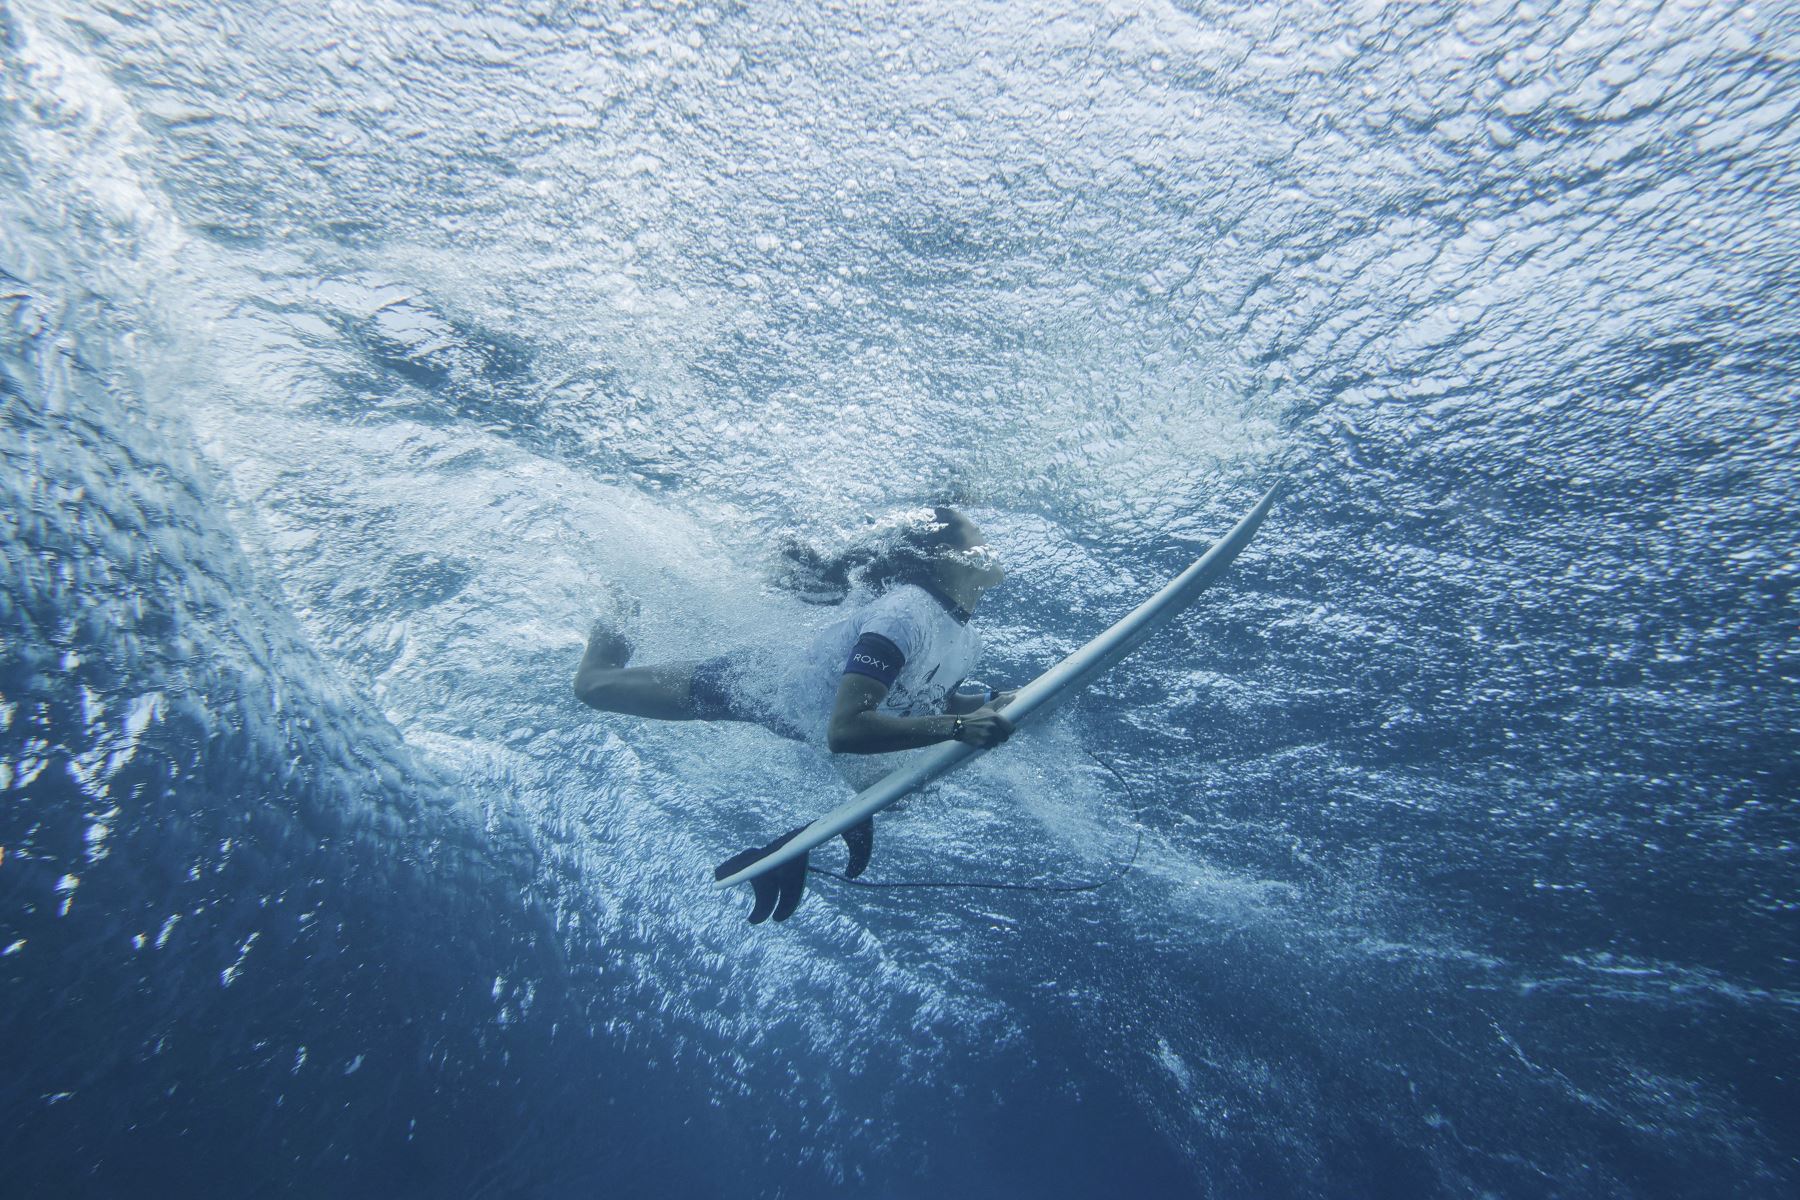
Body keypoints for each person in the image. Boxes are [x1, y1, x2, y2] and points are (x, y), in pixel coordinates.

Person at [572, 506, 1016, 922]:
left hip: (808, 719)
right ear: (944, 556)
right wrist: (960, 726)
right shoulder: (904, 614)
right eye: (978, 534)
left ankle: (793, 844)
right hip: (746, 684)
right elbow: (845, 730)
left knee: (910, 789)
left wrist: (989, 704)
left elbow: (927, 702)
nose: (989, 544)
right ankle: (621, 598)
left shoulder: (966, 639)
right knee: (593, 687)